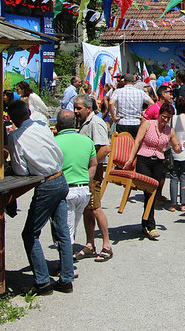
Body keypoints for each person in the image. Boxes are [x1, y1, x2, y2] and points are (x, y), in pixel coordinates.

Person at [5, 99, 74, 295]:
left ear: (11, 118)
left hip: (47, 183)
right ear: (28, 112)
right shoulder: (43, 127)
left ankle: (43, 282)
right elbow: (58, 154)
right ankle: (66, 279)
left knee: (30, 233)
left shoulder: (16, 136)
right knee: (62, 232)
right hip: (60, 177)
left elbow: (20, 169)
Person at [123, 104, 181, 240]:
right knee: (148, 190)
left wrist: (181, 148)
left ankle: (146, 222)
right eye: (164, 117)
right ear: (159, 114)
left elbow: (175, 146)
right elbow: (137, 142)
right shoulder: (148, 124)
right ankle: (150, 224)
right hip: (144, 158)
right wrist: (131, 159)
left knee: (153, 193)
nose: (166, 120)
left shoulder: (169, 131)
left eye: (169, 118)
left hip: (158, 161)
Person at [72, 94, 113, 263]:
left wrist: (91, 164)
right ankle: (90, 244)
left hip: (93, 172)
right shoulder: (83, 123)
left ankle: (107, 246)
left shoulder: (96, 123)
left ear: (89, 109)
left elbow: (105, 148)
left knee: (95, 208)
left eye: (79, 108)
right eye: (75, 108)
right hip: (85, 171)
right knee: (87, 208)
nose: (75, 111)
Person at [54, 110, 96, 246]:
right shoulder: (87, 141)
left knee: (66, 231)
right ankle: (67, 258)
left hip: (66, 191)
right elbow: (93, 164)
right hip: (83, 190)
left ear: (57, 125)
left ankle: (66, 264)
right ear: (74, 123)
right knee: (72, 227)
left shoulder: (53, 142)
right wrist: (85, 180)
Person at [170, 97, 185, 212]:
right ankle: (183, 203)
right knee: (184, 175)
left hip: (174, 147)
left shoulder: (172, 119)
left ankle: (173, 204)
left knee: (174, 176)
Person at [109, 73, 154, 137]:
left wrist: (114, 117)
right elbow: (152, 103)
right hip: (136, 122)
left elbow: (111, 103)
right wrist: (145, 115)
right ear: (133, 82)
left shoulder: (118, 91)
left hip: (122, 122)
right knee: (135, 144)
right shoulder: (140, 92)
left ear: (124, 82)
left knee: (123, 144)